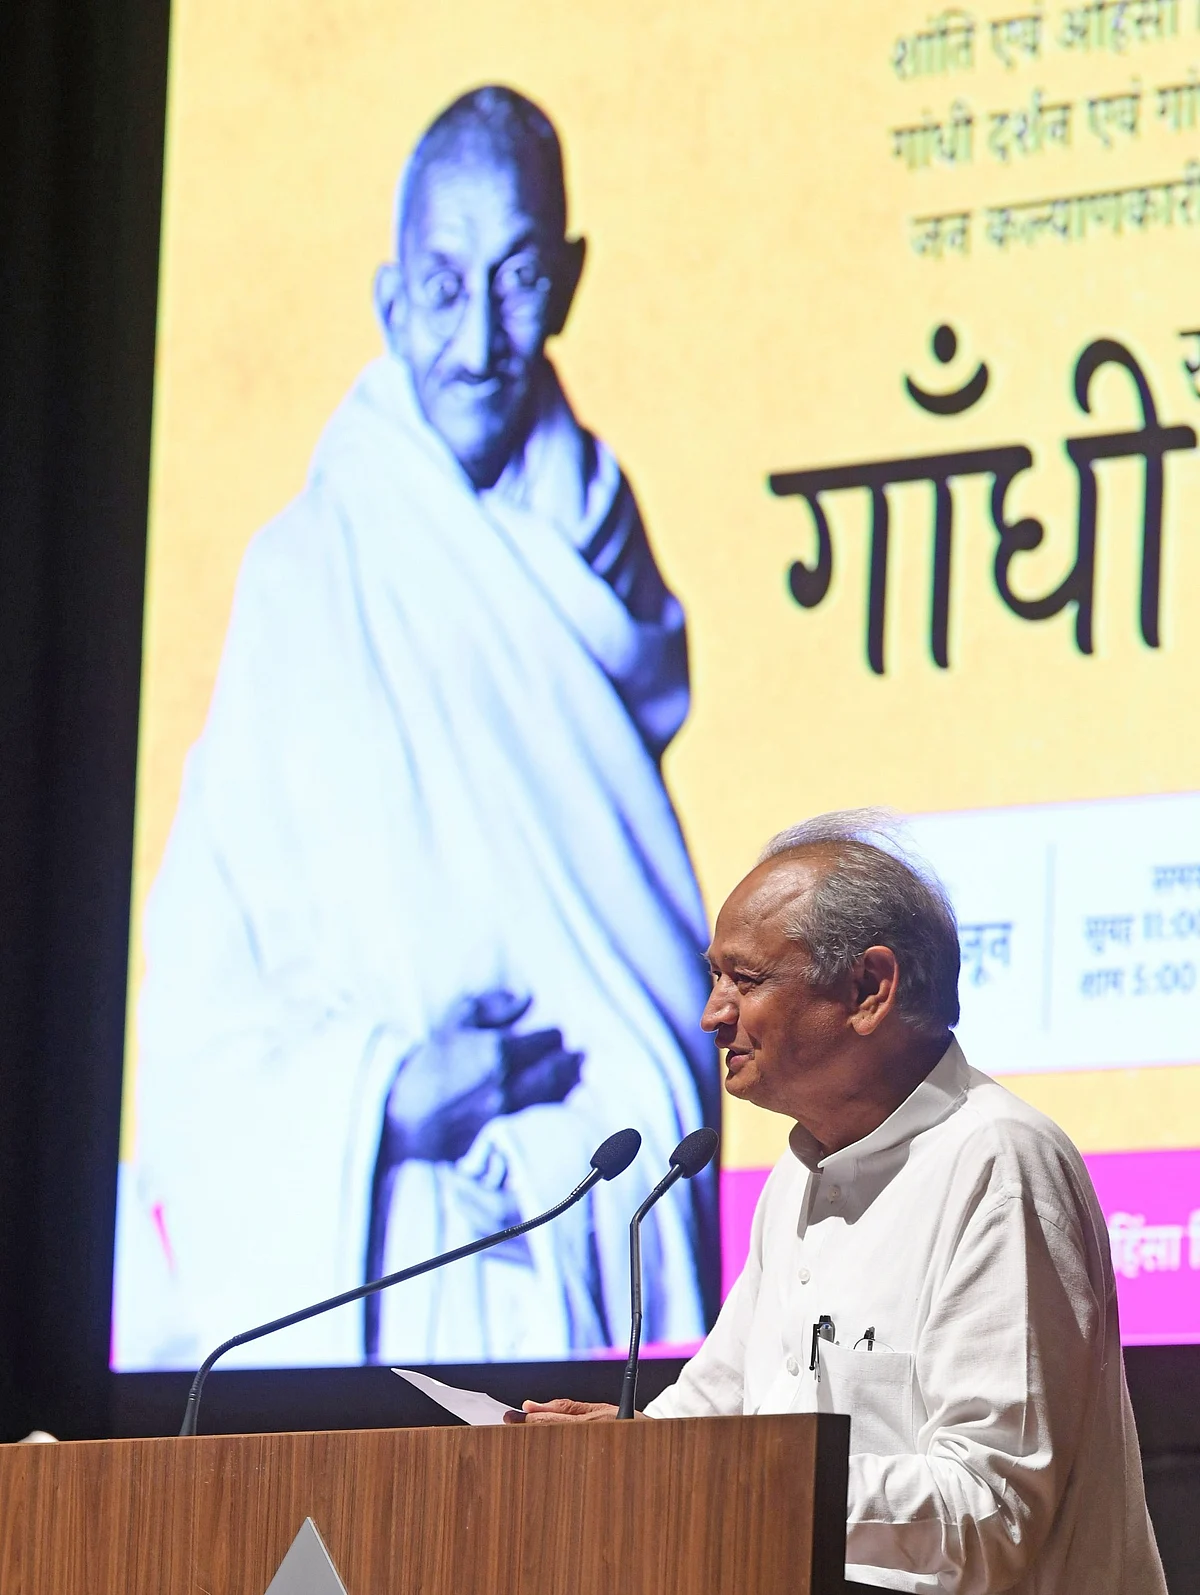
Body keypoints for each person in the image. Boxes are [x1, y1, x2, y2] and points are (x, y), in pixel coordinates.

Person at [115, 85, 718, 1370]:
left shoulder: (604, 562)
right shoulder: (305, 575)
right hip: (382, 1238)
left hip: (586, 1213)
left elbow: (650, 970)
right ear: (390, 302)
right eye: (443, 288)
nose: (479, 339)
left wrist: (592, 1121)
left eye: (513, 283)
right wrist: (387, 1096)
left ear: (566, 284)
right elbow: (204, 1003)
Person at [520, 811, 1166, 1595]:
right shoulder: (799, 1173)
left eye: (745, 979)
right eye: (714, 977)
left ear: (869, 988)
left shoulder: (996, 1162)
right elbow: (720, 1408)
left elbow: (992, 1514)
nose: (712, 1014)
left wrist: (741, 1480)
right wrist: (627, 1447)